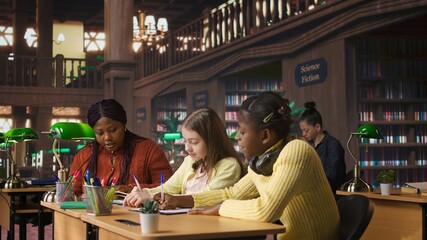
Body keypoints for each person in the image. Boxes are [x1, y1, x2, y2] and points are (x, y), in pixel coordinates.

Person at [154, 92, 341, 240]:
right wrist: (181, 201)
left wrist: (220, 207)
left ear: (265, 135)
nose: (237, 137)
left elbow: (265, 210)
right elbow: (231, 193)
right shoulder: (262, 161)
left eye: (242, 131)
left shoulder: (296, 151)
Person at [123, 107, 246, 207]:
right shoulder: (190, 161)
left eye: (193, 142)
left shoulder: (229, 165)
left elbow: (207, 197)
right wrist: (143, 192)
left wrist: (153, 197)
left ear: (212, 141)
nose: (187, 148)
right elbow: (168, 188)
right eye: (185, 141)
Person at [69, 99, 173, 195]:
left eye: (113, 130)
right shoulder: (85, 155)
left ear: (124, 125)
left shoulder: (148, 150)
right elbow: (73, 193)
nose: (107, 138)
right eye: (100, 133)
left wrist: (134, 189)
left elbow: (170, 188)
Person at [298, 101, 346, 193]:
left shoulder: (333, 145)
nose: (303, 134)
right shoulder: (310, 147)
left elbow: (332, 175)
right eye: (302, 130)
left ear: (317, 127)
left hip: (331, 194)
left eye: (306, 130)